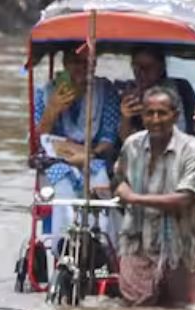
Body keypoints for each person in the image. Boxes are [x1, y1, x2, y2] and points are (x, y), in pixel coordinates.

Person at [114, 85, 195, 308]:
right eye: (149, 113)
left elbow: (185, 198)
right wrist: (120, 189)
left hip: (178, 248)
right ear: (142, 115)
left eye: (162, 113)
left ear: (174, 115)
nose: (155, 120)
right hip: (136, 245)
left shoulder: (192, 149)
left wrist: (135, 198)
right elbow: (118, 179)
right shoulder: (132, 145)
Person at [33, 45, 122, 249]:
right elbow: (39, 139)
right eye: (74, 63)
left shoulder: (105, 92)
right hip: (55, 163)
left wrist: (87, 155)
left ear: (93, 65)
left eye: (85, 63)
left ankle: (101, 244)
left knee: (101, 178)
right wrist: (52, 110)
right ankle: (61, 244)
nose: (80, 69)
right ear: (65, 64)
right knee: (60, 177)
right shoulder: (45, 93)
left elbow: (108, 140)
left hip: (95, 161)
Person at [118, 46, 195, 142]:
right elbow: (126, 139)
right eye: (137, 67)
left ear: (161, 68)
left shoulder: (181, 88)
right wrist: (126, 117)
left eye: (149, 67)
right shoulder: (129, 94)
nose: (142, 72)